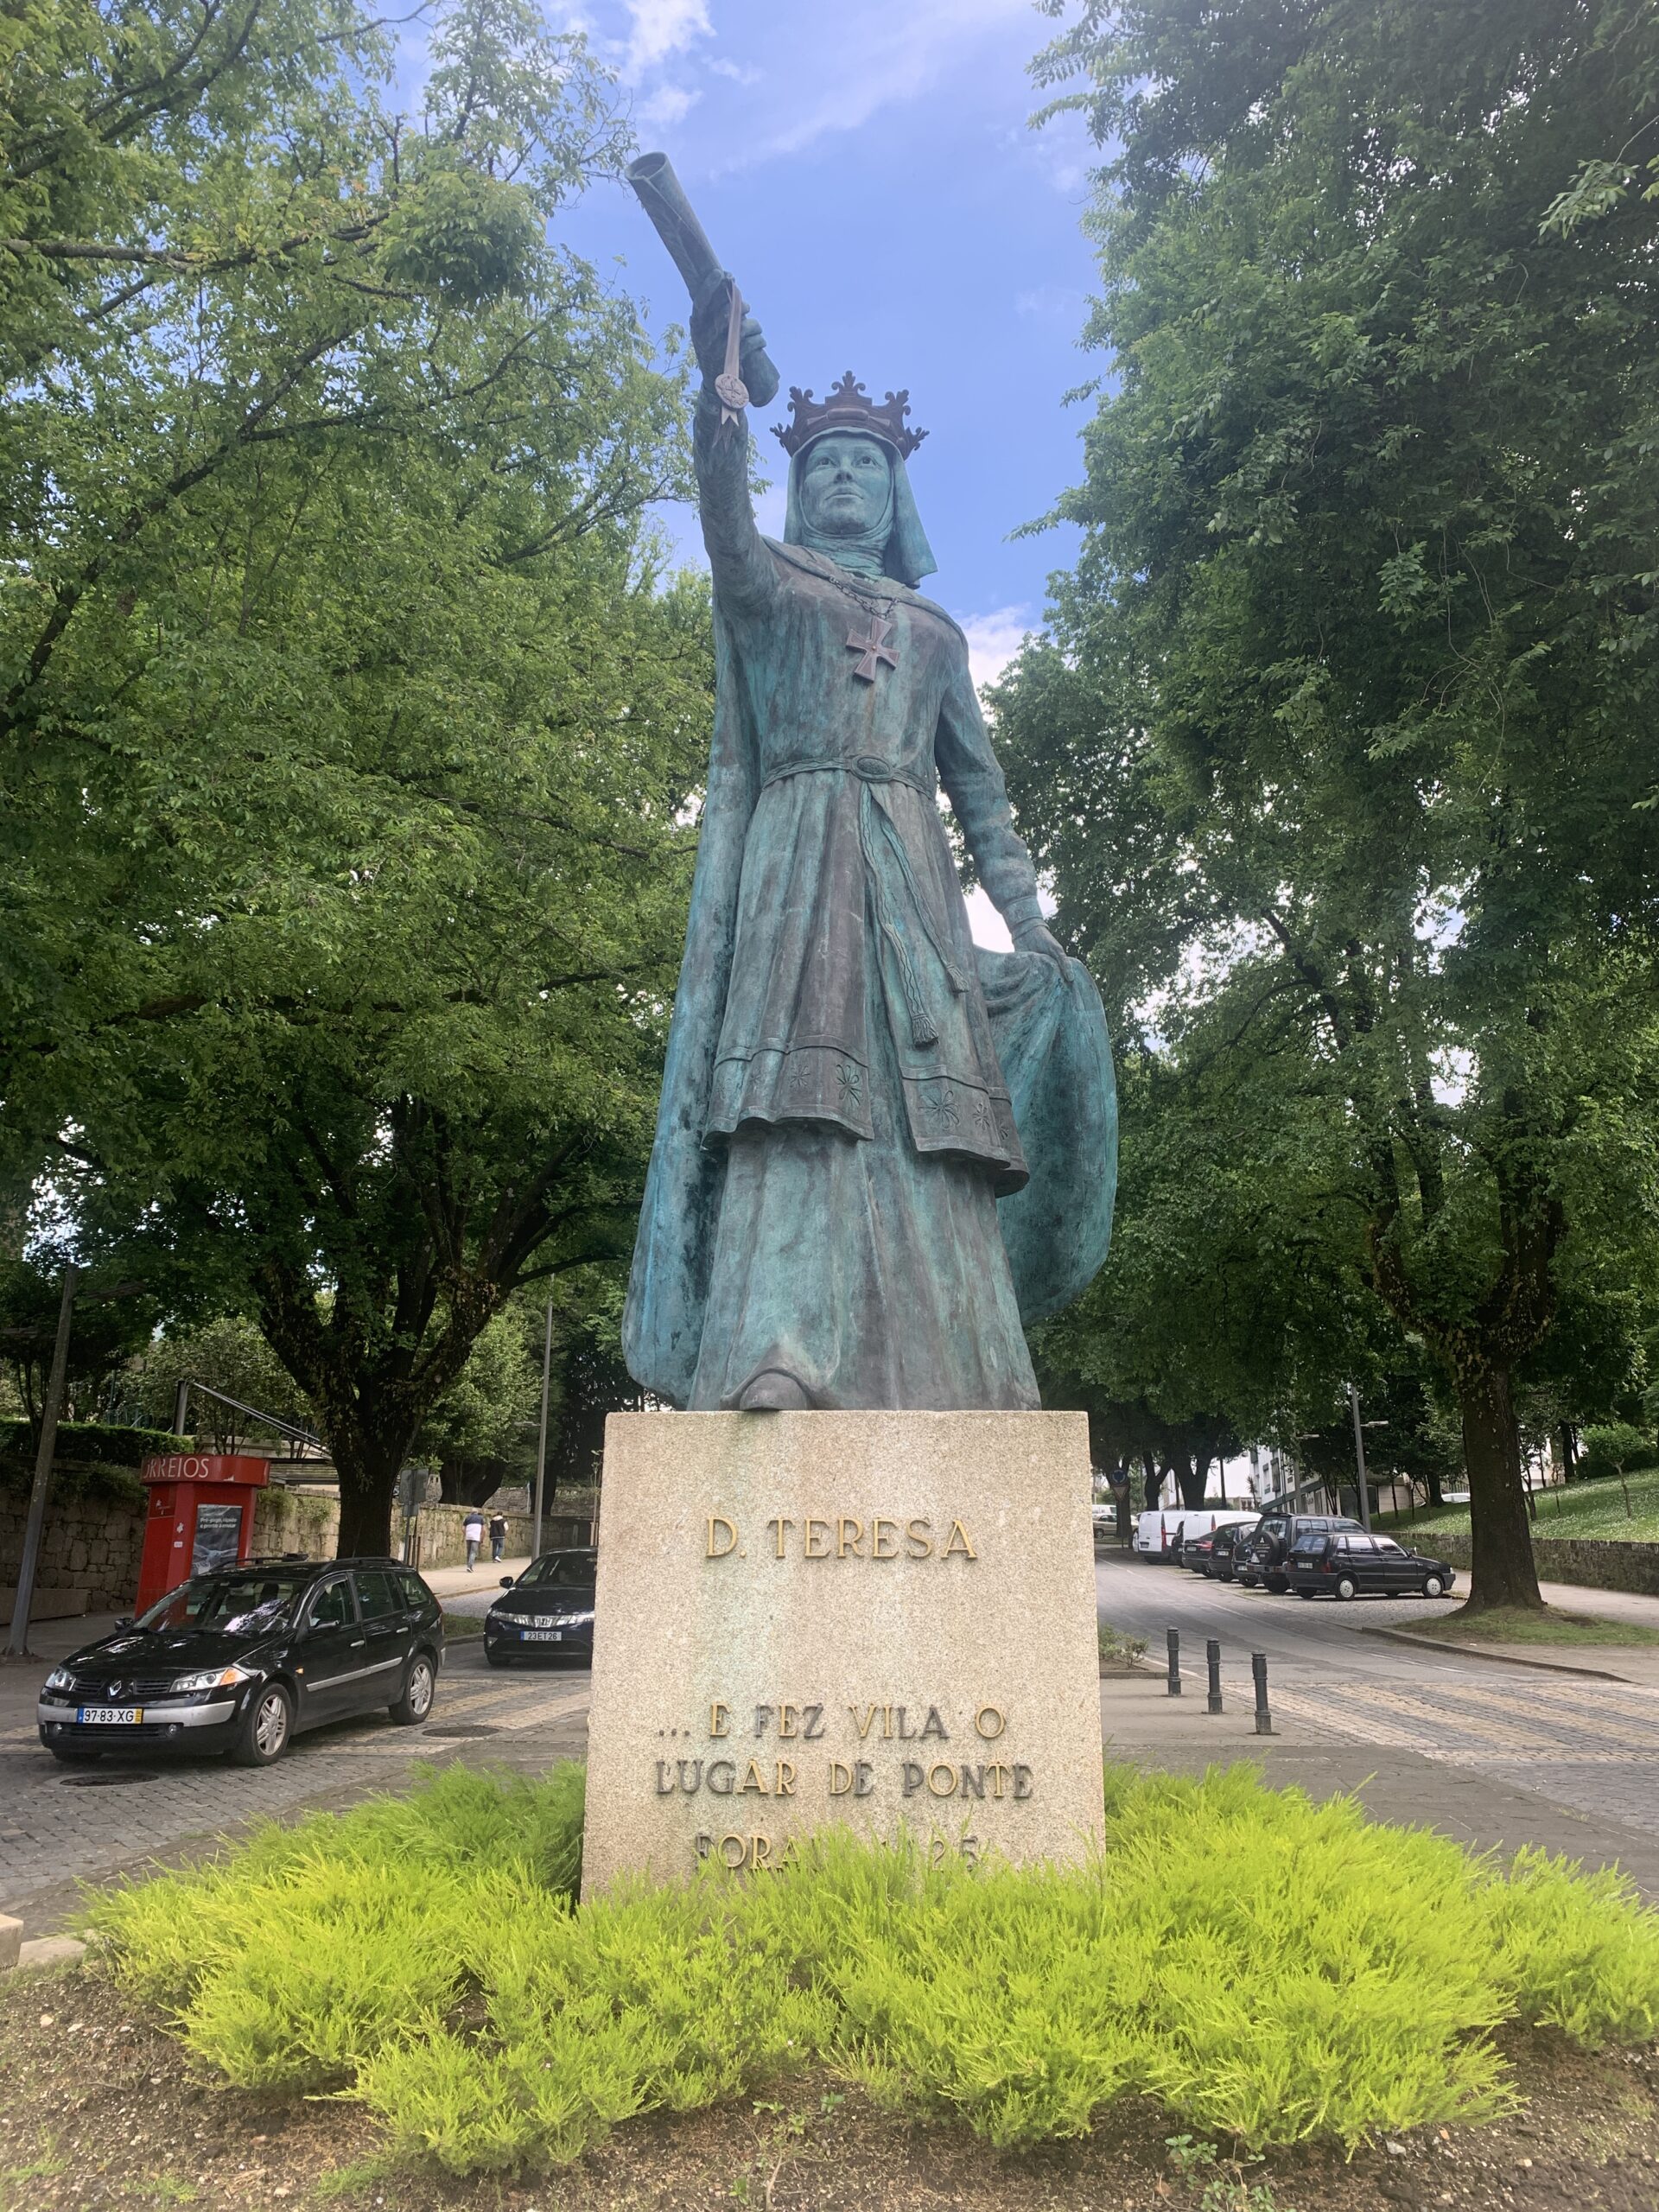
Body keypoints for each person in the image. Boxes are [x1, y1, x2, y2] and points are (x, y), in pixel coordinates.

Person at [623, 307, 1116, 1414]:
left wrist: (1028, 924)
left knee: (930, 1127)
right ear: (803, 487)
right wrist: (725, 406)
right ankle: (774, 1348)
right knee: (796, 1104)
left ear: (897, 495)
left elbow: (981, 792)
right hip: (800, 866)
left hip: (913, 885)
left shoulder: (934, 632)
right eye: (827, 464)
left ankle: (971, 1365)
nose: (846, 479)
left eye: (866, 464)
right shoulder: (772, 588)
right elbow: (724, 533)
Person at [463, 1509, 484, 1573]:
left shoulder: (467, 1518)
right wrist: (482, 1537)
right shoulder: (481, 1518)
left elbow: (463, 1528)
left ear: (471, 1513)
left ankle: (468, 1566)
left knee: (469, 1552)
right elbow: (484, 1530)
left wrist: (466, 1534)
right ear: (477, 1513)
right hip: (476, 1537)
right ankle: (470, 1567)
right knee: (473, 1552)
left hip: (468, 1536)